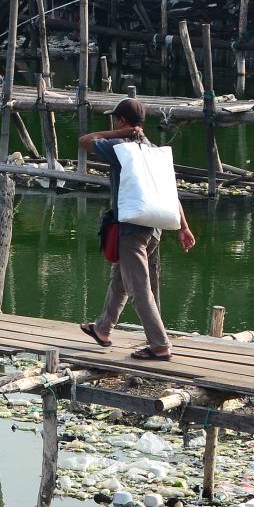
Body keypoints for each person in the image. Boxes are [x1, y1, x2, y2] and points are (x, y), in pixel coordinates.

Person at [78, 97, 195, 360]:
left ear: (121, 120)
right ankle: (103, 328)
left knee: (139, 289)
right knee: (121, 278)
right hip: (154, 229)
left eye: (115, 119)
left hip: (131, 229)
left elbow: (85, 141)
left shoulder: (119, 146)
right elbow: (169, 192)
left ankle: (159, 345)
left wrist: (117, 134)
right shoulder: (152, 150)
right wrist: (183, 227)